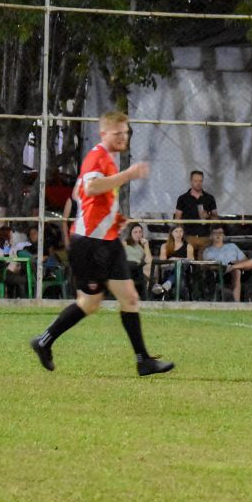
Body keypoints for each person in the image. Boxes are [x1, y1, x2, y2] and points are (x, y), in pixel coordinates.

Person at [30, 110, 174, 377]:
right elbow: (91, 188)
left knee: (130, 298)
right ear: (103, 133)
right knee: (89, 303)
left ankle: (143, 361)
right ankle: (44, 341)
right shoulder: (97, 156)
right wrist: (128, 174)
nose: (123, 137)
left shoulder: (108, 159)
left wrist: (112, 217)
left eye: (126, 133)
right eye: (117, 133)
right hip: (89, 244)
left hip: (108, 241)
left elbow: (85, 194)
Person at [202, 225, 252, 302]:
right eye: (215, 233)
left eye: (220, 233)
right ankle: (236, 303)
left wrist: (235, 263)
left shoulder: (232, 246)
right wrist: (227, 266)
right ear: (211, 236)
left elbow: (245, 260)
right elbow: (210, 266)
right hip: (223, 273)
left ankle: (234, 266)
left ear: (223, 235)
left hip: (240, 268)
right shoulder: (208, 251)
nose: (218, 235)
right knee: (236, 271)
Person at [174, 170, 217, 254]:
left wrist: (208, 215)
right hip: (188, 237)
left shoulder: (209, 198)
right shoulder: (183, 198)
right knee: (188, 259)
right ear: (191, 181)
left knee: (204, 260)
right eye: (195, 181)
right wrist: (181, 236)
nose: (198, 183)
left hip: (205, 237)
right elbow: (177, 218)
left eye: (200, 181)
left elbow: (216, 218)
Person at [154, 224, 195, 298]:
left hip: (184, 272)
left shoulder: (188, 246)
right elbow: (162, 264)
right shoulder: (165, 246)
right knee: (177, 269)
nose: (179, 234)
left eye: (181, 231)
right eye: (176, 231)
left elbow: (191, 261)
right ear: (172, 233)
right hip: (169, 270)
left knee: (180, 267)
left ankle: (167, 285)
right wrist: (171, 262)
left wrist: (176, 259)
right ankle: (168, 285)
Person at [122, 222, 153, 297]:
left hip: (137, 269)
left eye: (140, 232)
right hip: (126, 267)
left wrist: (146, 246)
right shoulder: (125, 243)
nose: (138, 234)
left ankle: (145, 298)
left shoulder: (142, 246)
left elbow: (149, 260)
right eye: (135, 232)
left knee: (142, 270)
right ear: (130, 233)